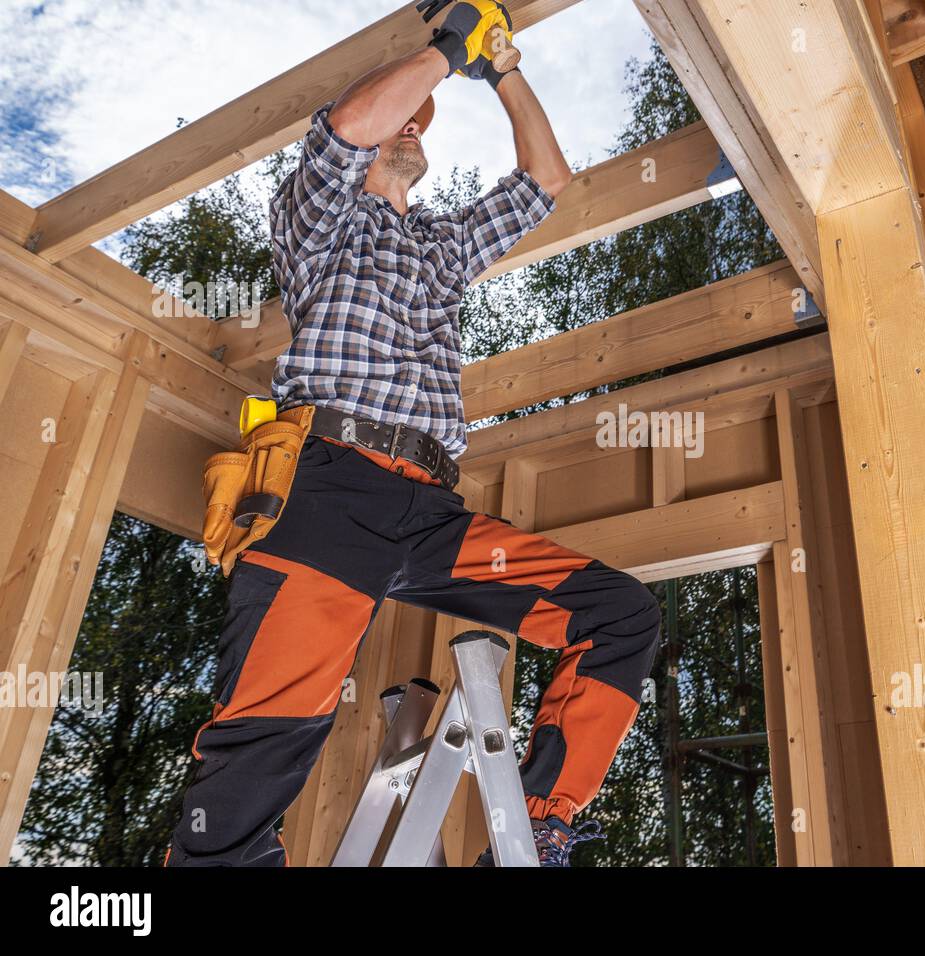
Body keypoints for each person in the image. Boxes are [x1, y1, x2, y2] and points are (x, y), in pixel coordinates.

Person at [165, 0, 661, 868]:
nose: (407, 131)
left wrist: (503, 70)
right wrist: (448, 47)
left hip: (432, 516)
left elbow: (545, 181)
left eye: (417, 127)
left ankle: (541, 820)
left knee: (617, 614)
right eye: (401, 121)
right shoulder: (315, 225)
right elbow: (349, 126)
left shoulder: (440, 245)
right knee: (262, 745)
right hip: (327, 491)